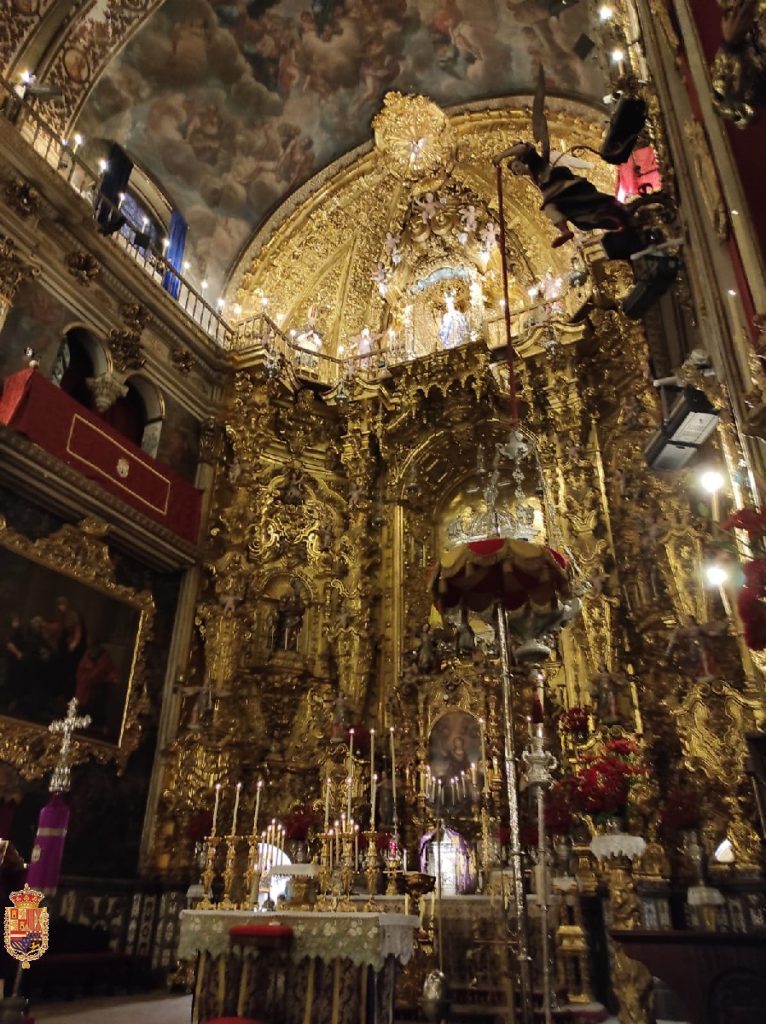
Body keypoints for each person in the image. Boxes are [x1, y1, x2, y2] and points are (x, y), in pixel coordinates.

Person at [495, 142, 629, 248]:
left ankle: (565, 231)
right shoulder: (533, 178)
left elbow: (523, 148)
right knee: (581, 219)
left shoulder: (535, 163)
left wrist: (501, 156)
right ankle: (606, 220)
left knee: (550, 207)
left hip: (564, 186)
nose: (517, 170)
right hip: (560, 197)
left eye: (516, 166)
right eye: (514, 171)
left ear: (521, 161)